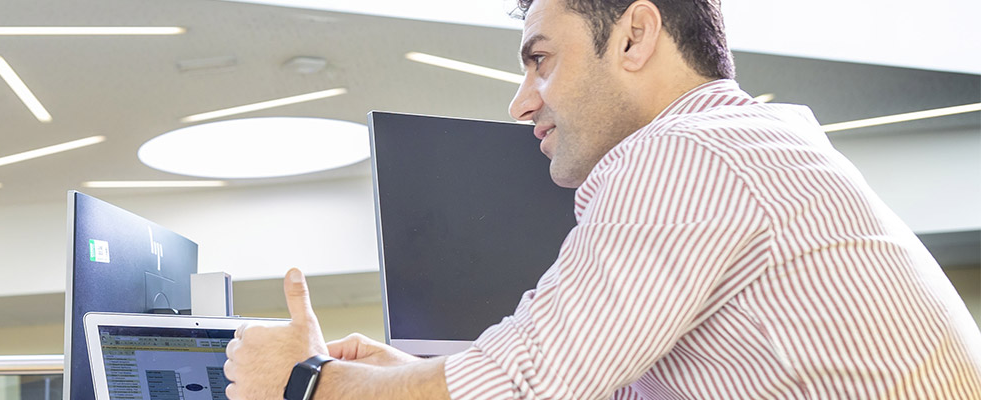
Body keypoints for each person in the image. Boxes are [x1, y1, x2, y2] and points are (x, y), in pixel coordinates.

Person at [224, 0, 981, 398]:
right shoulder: (761, 143)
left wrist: (306, 383)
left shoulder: (683, 153)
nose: (523, 102)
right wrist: (394, 380)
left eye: (541, 60)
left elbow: (522, 387)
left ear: (634, 36)